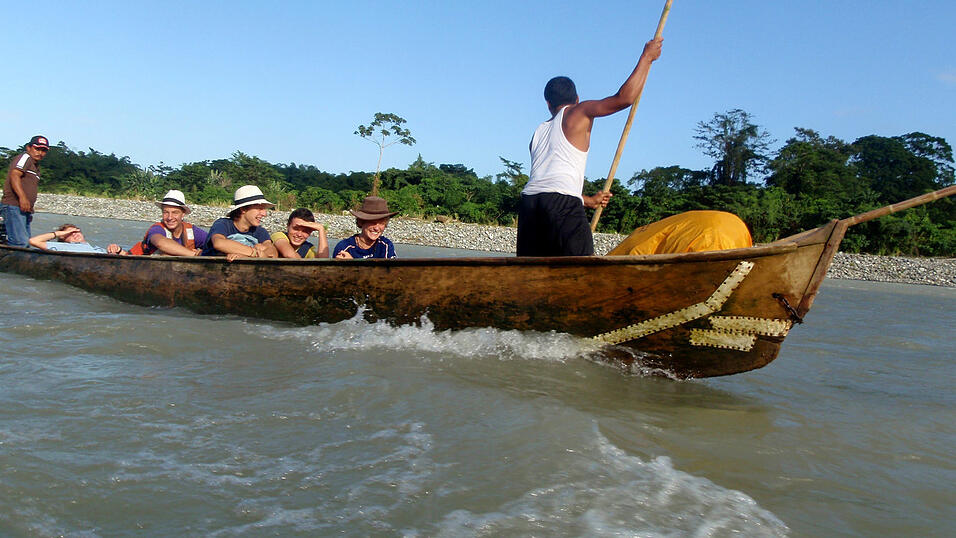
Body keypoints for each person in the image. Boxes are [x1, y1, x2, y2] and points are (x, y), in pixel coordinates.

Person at [517, 38, 663, 256]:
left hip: (529, 205)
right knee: (581, 269)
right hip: (561, 205)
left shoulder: (538, 133)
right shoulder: (578, 111)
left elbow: (548, 185)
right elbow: (625, 98)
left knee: (532, 276)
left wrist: (588, 200)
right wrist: (647, 58)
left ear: (548, 103)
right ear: (577, 98)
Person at [201, 185, 278, 260]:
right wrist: (254, 253)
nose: (264, 214)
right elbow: (219, 243)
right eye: (259, 209)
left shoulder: (260, 231)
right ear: (243, 209)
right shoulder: (223, 224)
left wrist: (244, 256)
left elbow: (272, 252)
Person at [2, 135, 50, 247]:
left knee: (26, 243)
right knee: (20, 243)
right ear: (29, 148)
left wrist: (29, 209)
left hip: (24, 209)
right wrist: (22, 198)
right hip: (14, 205)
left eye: (44, 150)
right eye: (37, 148)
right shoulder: (25, 158)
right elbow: (15, 175)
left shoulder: (35, 166)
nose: (40, 152)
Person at [129, 189, 208, 256]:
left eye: (175, 213)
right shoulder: (157, 229)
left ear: (183, 214)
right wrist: (193, 255)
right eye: (166, 212)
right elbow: (160, 242)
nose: (170, 217)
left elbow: (213, 243)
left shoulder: (192, 231)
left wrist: (202, 253)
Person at [333, 196, 397, 259]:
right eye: (372, 222)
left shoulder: (385, 246)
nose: (377, 228)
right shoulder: (344, 247)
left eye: (381, 223)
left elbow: (392, 269)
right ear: (361, 222)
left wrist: (352, 264)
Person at [29, 224, 127, 254]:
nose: (75, 234)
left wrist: (118, 250)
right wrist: (60, 234)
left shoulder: (96, 248)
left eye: (76, 231)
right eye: (70, 233)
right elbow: (33, 241)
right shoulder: (62, 246)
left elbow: (128, 256)